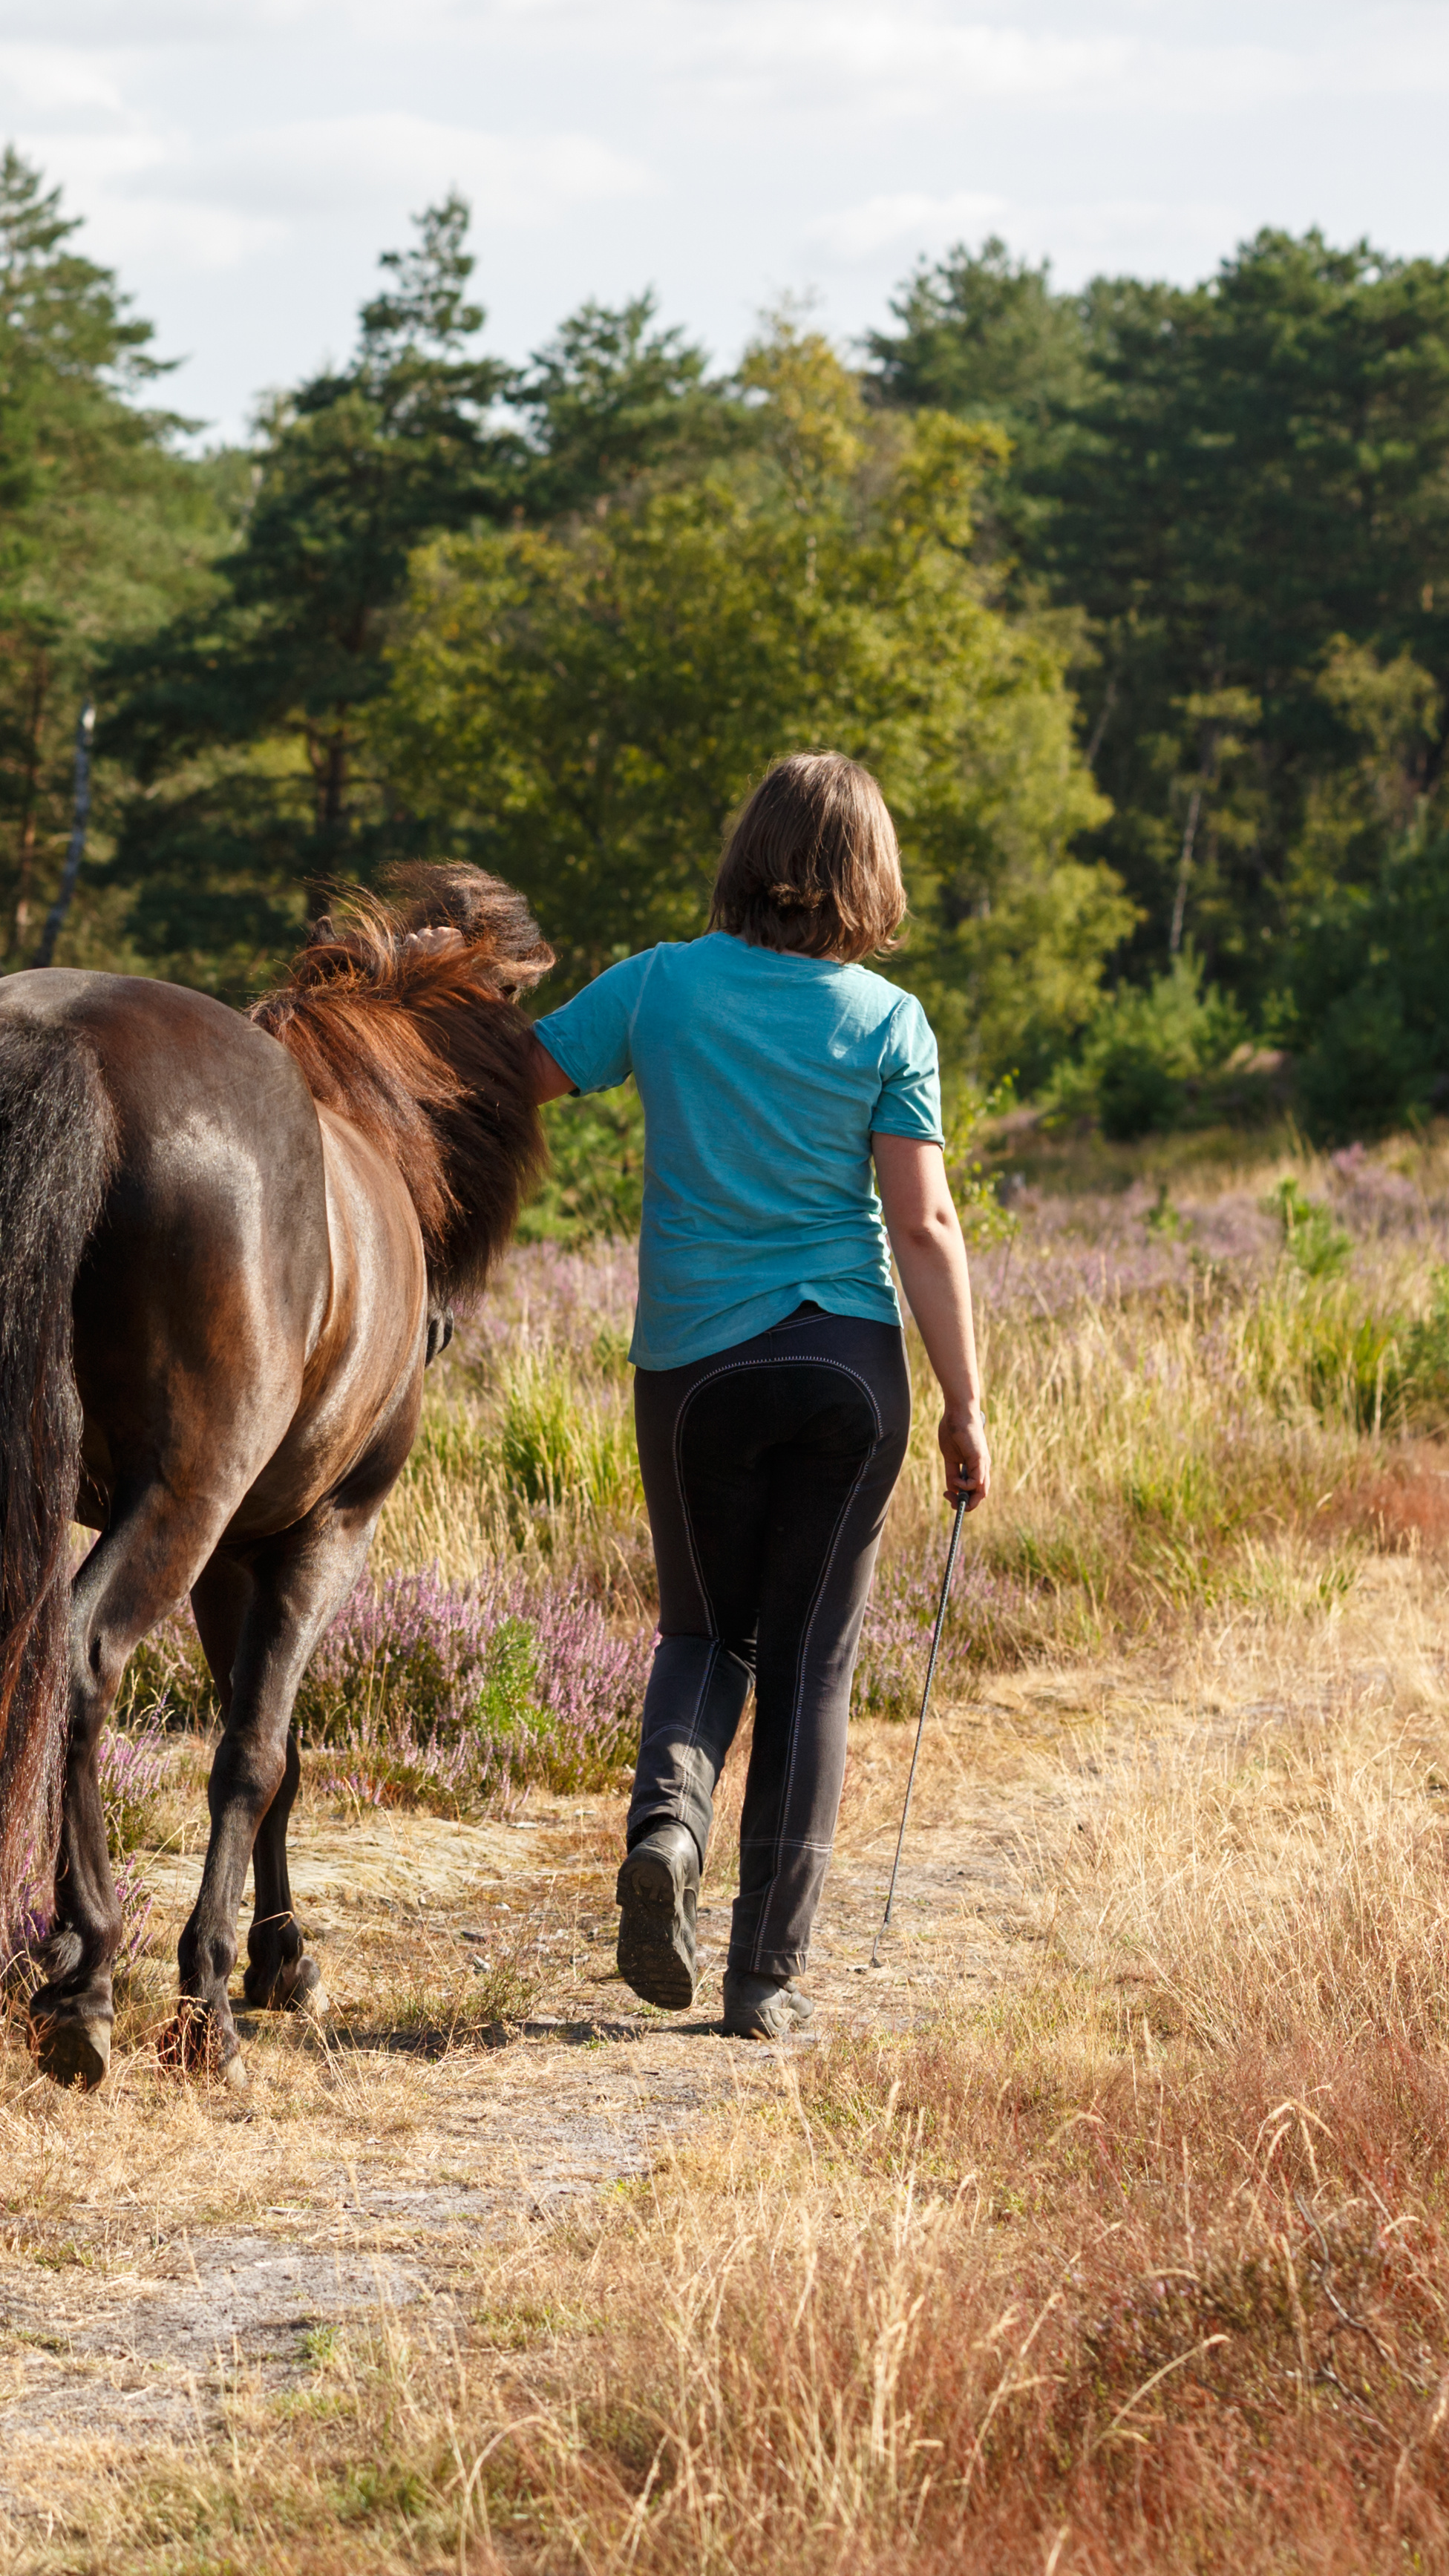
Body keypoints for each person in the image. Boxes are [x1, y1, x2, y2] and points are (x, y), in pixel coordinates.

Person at [517, 753, 990, 2040]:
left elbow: (514, 1080)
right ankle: (764, 1981)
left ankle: (667, 1834)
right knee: (811, 1667)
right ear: (870, 878)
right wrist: (963, 1402)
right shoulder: (890, 1022)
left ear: (746, 854)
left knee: (701, 1634)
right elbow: (927, 1221)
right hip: (845, 1367)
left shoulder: (658, 986)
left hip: (693, 1373)